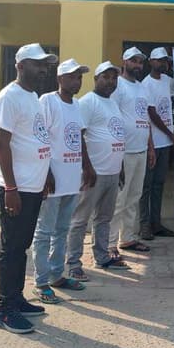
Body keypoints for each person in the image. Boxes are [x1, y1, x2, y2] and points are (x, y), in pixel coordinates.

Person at [0, 43, 57, 334]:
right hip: (16, 188)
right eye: (37, 64)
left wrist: (46, 174)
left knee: (22, 246)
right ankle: (5, 310)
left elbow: (37, 137)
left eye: (45, 64)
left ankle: (17, 299)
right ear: (20, 66)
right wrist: (11, 187)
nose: (43, 69)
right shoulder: (9, 97)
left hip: (33, 186)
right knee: (11, 248)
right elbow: (2, 143)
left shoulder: (33, 97)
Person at [31, 59, 96, 304]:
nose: (77, 81)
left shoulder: (77, 105)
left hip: (71, 179)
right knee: (44, 232)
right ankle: (41, 282)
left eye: (79, 77)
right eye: (72, 77)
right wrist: (45, 171)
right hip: (53, 180)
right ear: (60, 79)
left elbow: (79, 138)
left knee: (62, 230)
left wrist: (87, 166)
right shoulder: (47, 101)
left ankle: (57, 275)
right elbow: (39, 138)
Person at [67, 61, 130, 278]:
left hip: (112, 172)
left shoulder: (112, 103)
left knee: (104, 218)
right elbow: (78, 136)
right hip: (94, 173)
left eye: (114, 78)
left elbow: (117, 135)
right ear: (96, 79)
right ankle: (73, 263)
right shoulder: (88, 102)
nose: (111, 82)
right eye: (106, 77)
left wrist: (120, 167)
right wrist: (87, 167)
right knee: (80, 220)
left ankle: (102, 257)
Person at [110, 47, 156, 254]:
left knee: (134, 197)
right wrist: (116, 151)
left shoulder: (142, 87)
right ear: (124, 61)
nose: (137, 65)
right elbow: (111, 118)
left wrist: (151, 147)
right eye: (133, 61)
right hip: (124, 151)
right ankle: (110, 244)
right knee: (119, 199)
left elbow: (145, 118)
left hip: (140, 150)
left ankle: (127, 238)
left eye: (140, 61)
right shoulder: (117, 85)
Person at [140, 47, 174, 240]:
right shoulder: (146, 85)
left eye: (165, 60)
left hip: (165, 143)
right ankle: (144, 225)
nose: (163, 63)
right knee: (146, 186)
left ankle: (156, 223)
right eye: (159, 60)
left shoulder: (167, 81)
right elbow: (152, 114)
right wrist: (170, 134)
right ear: (151, 62)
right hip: (152, 143)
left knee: (159, 184)